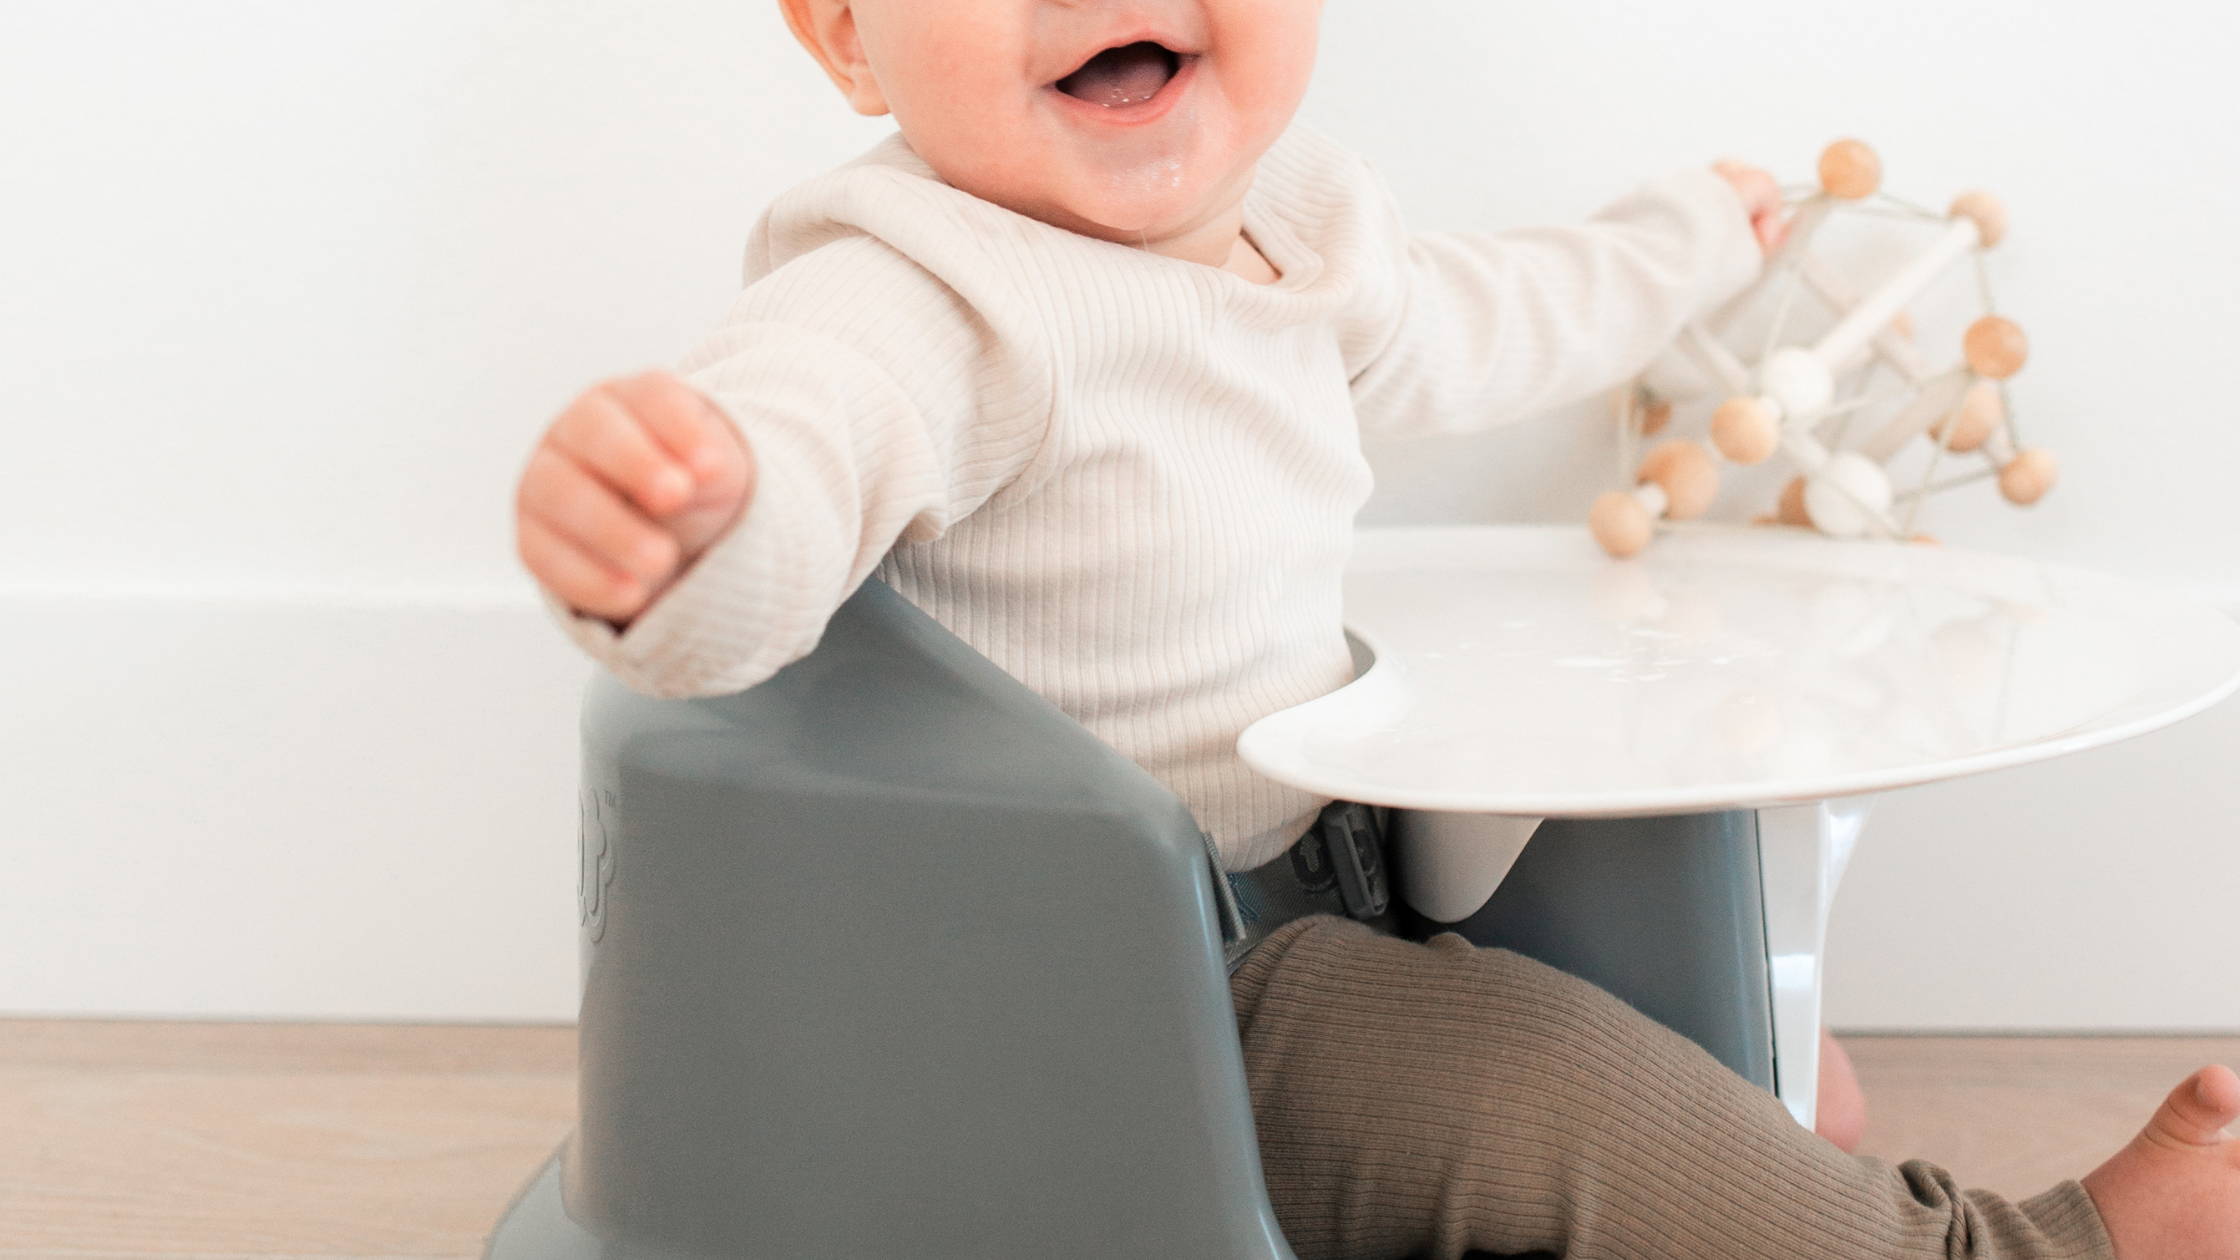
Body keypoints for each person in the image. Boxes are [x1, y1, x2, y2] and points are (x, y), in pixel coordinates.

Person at [512, 1, 2239, 1255]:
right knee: (1541, 1083)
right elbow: (804, 451)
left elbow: (1504, 314)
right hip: (1127, 1003)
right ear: (843, 34)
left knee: (1644, 947)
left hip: (1328, 861)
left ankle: (1735, 1145)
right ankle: (2014, 1249)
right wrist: (687, 530)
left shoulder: (1294, 229)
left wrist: (1695, 240)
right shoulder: (912, 295)